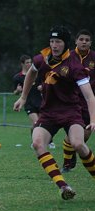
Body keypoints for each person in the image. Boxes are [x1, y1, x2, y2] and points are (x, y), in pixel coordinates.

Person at [13, 26, 95, 200]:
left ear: (65, 44)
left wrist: (93, 119)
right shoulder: (42, 58)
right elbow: (31, 74)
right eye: (52, 41)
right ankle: (63, 186)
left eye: (58, 41)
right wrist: (23, 97)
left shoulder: (74, 65)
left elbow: (89, 96)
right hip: (48, 113)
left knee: (78, 144)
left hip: (71, 112)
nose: (54, 45)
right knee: (37, 143)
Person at [61, 29, 95, 173]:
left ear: (90, 43)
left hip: (88, 101)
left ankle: (73, 151)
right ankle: (68, 163)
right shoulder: (68, 56)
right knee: (72, 135)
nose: (84, 42)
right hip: (70, 101)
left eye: (87, 40)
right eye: (81, 39)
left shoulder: (94, 57)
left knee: (84, 135)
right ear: (76, 41)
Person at [13, 55, 56, 149]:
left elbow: (47, 84)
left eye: (30, 62)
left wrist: (42, 87)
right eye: (27, 62)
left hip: (41, 102)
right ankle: (35, 142)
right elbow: (15, 92)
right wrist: (17, 90)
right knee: (36, 123)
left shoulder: (38, 75)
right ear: (22, 64)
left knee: (43, 124)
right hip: (29, 104)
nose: (29, 64)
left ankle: (49, 141)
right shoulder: (17, 77)